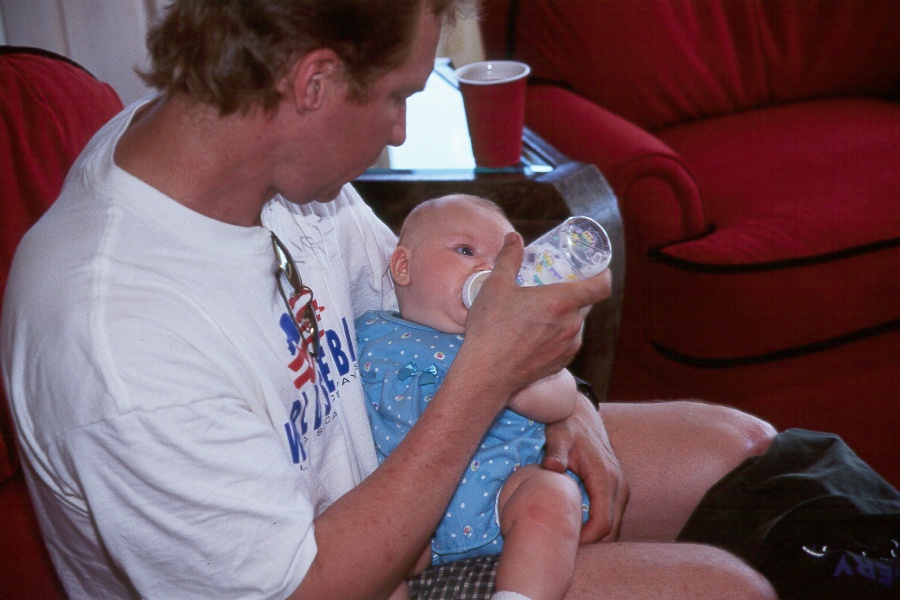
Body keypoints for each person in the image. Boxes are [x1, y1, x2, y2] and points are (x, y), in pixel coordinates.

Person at [0, 1, 779, 598]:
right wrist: (491, 376)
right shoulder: (114, 332)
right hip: (343, 577)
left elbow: (426, 298)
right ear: (314, 82)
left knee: (740, 445)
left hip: (402, 474)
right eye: (398, 96)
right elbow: (303, 589)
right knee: (728, 590)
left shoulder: (254, 163)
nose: (401, 134)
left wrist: (565, 401)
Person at [359, 195, 589, 600]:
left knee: (552, 497)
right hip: (405, 514)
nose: (487, 271)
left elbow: (562, 398)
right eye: (465, 251)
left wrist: (513, 375)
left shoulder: (511, 343)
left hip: (504, 496)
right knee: (364, 566)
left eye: (502, 264)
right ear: (403, 266)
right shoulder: (369, 336)